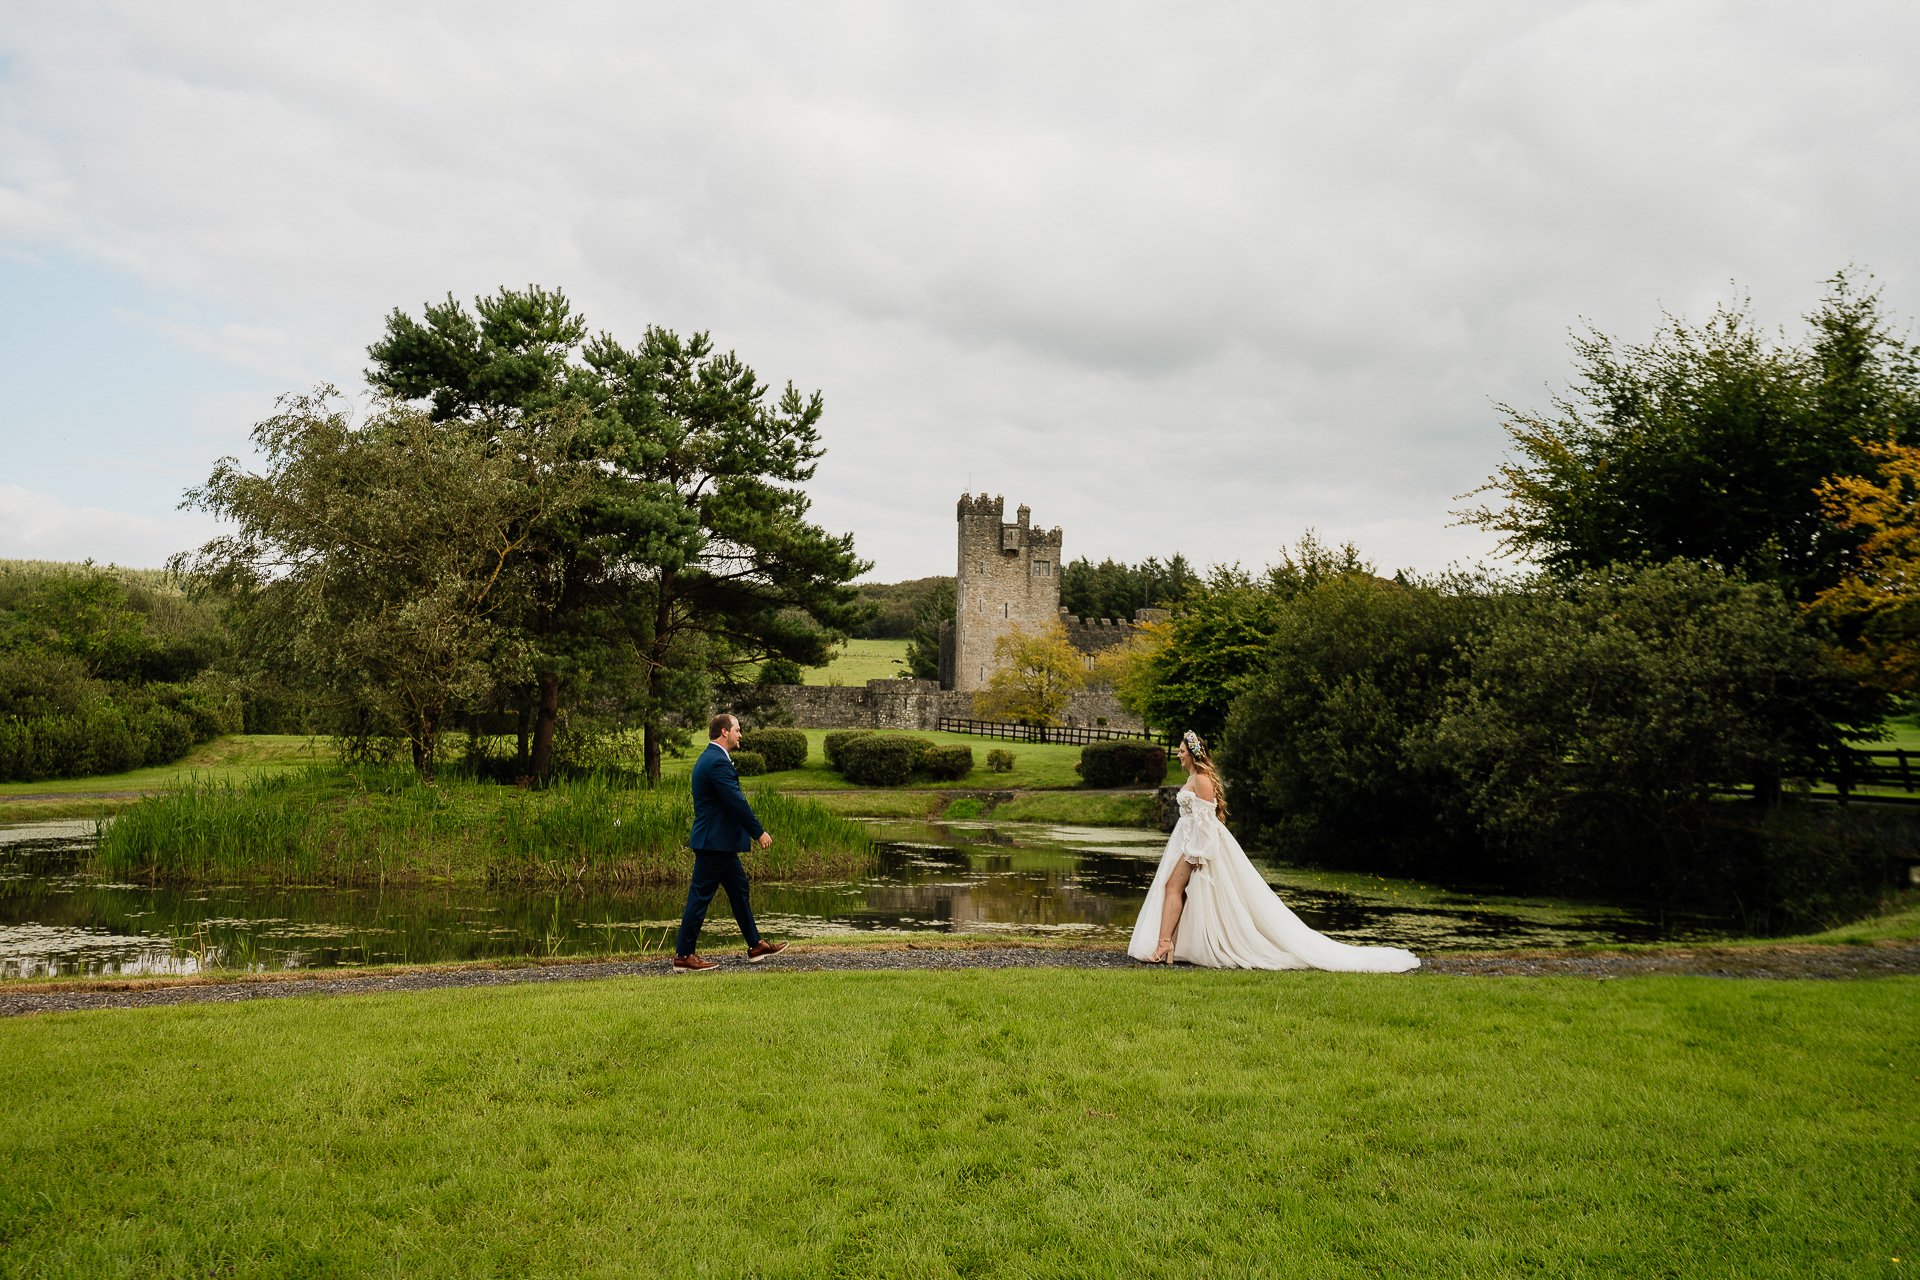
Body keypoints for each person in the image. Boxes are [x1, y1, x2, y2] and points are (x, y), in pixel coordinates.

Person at [1128, 731, 1419, 973]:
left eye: (1181, 751)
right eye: (1178, 751)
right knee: (1178, 890)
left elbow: (1207, 821)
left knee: (1172, 888)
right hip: (1186, 841)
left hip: (1196, 846)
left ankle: (1165, 944)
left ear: (1193, 753)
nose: (1178, 755)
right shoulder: (1193, 778)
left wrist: (1197, 854)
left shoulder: (1201, 779)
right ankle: (1170, 944)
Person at [673, 714, 790, 973]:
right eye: (737, 730)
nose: (740, 735)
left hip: (720, 843)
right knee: (699, 898)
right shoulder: (717, 762)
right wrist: (758, 832)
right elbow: (737, 802)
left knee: (739, 890)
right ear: (724, 732)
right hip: (714, 843)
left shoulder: (711, 758)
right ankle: (683, 956)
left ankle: (755, 945)